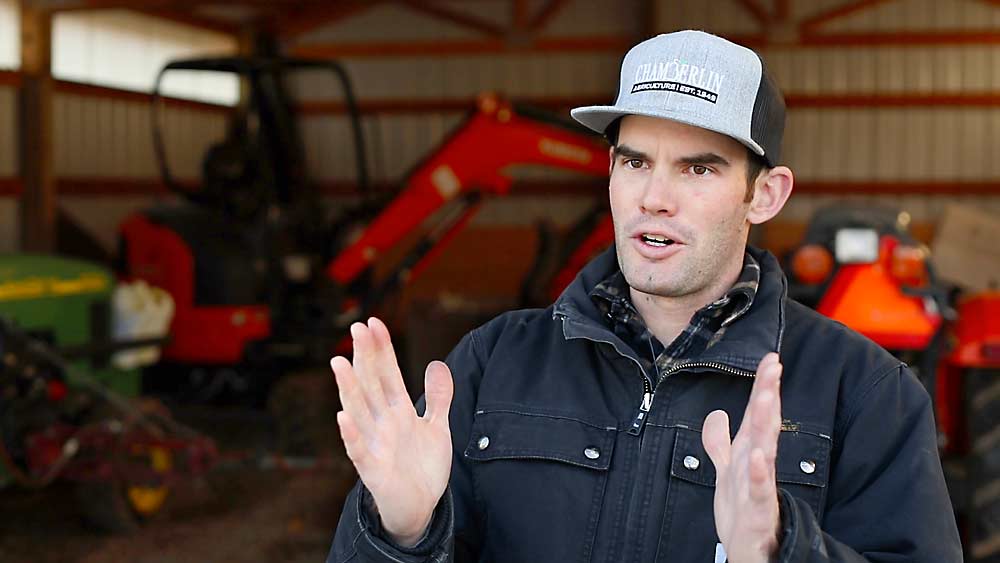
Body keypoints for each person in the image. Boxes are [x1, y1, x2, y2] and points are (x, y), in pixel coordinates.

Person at [325, 30, 962, 563]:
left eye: (698, 167)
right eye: (634, 162)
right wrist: (401, 534)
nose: (654, 196)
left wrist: (782, 548)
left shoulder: (866, 394)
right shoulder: (493, 362)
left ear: (765, 195)